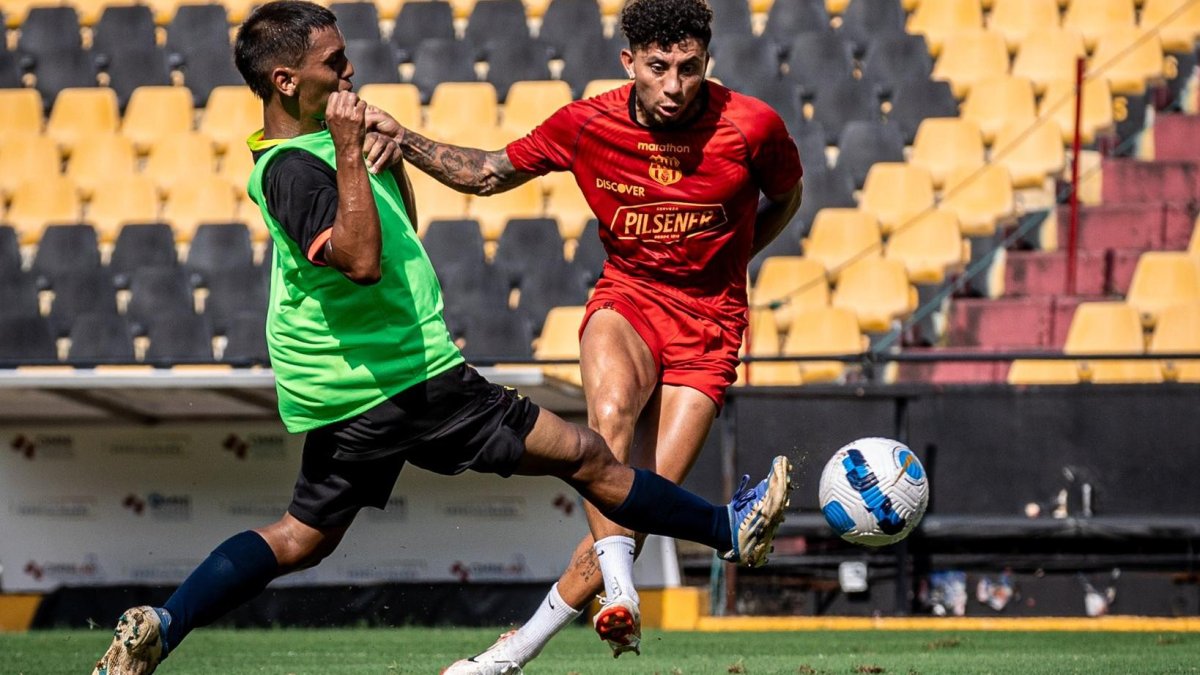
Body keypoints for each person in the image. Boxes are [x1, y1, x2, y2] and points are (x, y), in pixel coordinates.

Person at [90, 2, 792, 674]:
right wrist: (350, 153)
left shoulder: (319, 150)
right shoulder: (294, 169)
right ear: (285, 80)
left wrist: (388, 156)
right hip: (412, 378)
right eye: (334, 64)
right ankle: (729, 531)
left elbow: (397, 228)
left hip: (351, 393)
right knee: (588, 456)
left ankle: (162, 622)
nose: (349, 73)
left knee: (300, 537)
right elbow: (363, 261)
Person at [378, 0, 804, 671]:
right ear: (628, 62)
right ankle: (624, 594)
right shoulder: (587, 124)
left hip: (711, 322)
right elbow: (488, 173)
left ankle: (511, 652)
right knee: (607, 429)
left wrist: (738, 255)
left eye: (689, 68)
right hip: (628, 299)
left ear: (706, 63)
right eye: (658, 67)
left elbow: (786, 197)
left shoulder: (753, 126)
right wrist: (400, 136)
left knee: (639, 500)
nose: (673, 85)